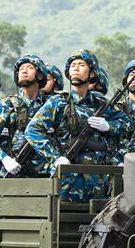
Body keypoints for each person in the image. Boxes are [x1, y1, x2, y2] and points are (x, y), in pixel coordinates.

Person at [21, 51, 123, 201]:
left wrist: (109, 127)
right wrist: (55, 157)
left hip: (98, 183)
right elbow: (32, 130)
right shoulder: (59, 102)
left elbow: (127, 124)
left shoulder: (100, 103)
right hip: (68, 183)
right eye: (73, 65)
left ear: (93, 73)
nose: (75, 68)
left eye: (81, 65)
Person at [0, 55, 49, 177]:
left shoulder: (50, 104)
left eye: (29, 68)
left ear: (39, 75)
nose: (23, 71)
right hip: (15, 168)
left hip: (45, 171)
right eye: (21, 69)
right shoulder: (8, 104)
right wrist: (4, 158)